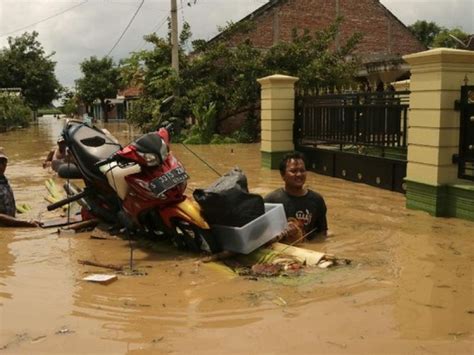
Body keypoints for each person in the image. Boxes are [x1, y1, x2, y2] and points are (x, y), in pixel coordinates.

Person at [264, 152, 328, 241]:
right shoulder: (271, 200)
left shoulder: (317, 200)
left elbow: (322, 233)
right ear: (283, 175)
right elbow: (263, 234)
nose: (299, 174)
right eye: (293, 171)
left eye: (302, 170)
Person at [0, 148, 39, 227]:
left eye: (3, 162)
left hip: (10, 226)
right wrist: (24, 223)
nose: (1, 166)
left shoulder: (4, 181)